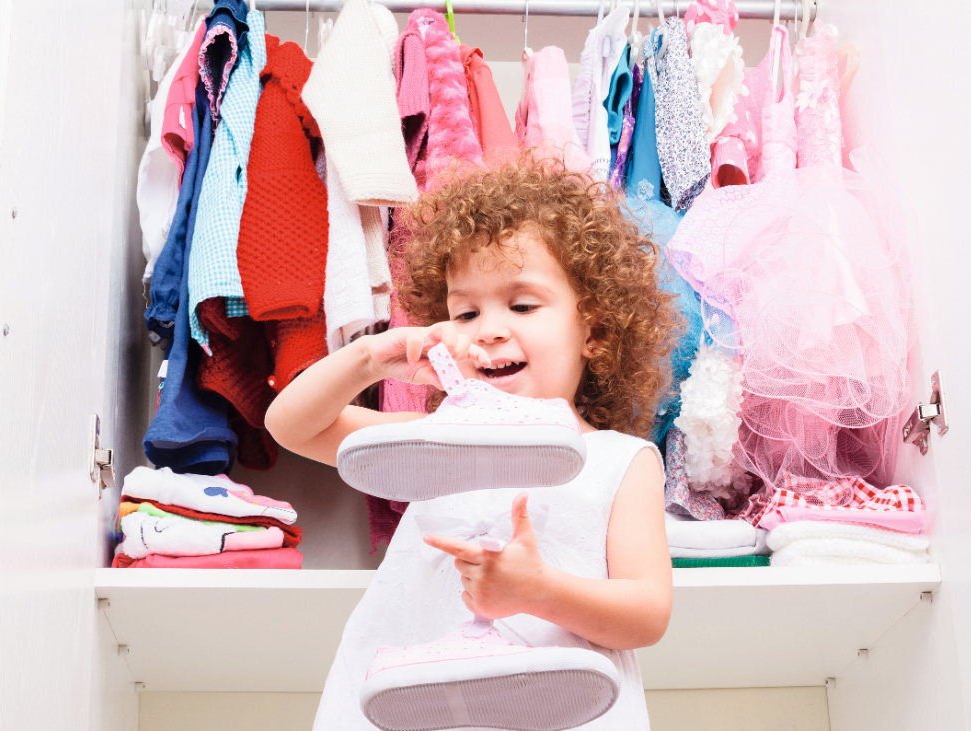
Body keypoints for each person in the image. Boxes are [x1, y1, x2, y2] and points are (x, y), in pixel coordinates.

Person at [266, 154, 680, 730]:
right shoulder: (433, 440)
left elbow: (647, 613)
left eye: (522, 305)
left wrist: (538, 591)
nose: (488, 330)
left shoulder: (620, 460)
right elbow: (292, 426)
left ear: (596, 328)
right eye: (464, 313)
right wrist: (370, 358)